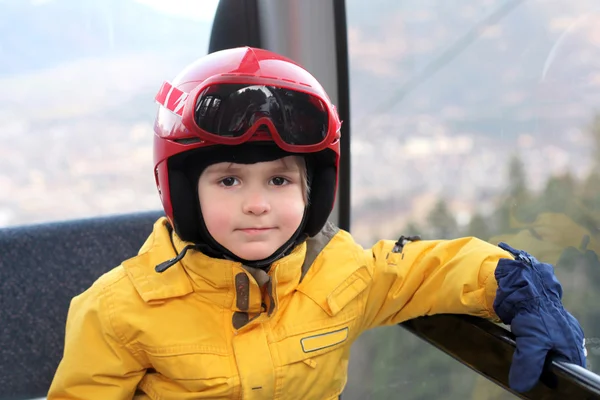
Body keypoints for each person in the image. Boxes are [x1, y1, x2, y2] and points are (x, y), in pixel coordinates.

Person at [47, 47, 586, 400]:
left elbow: (427, 269)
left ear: (314, 190)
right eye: (229, 181)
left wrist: (517, 283)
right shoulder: (120, 311)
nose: (257, 205)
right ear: (182, 191)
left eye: (279, 181)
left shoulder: (340, 274)